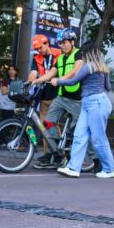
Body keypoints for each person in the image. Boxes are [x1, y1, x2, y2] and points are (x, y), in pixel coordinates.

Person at [53, 41, 114, 178]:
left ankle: (110, 169)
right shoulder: (102, 67)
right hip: (91, 102)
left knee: (98, 138)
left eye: (82, 53)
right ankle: (73, 168)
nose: (81, 56)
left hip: (96, 103)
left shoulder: (88, 66)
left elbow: (72, 81)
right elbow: (108, 87)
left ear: (87, 53)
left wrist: (57, 81)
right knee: (79, 135)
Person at [31, 28, 87, 169]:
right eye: (60, 43)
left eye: (65, 42)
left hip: (77, 100)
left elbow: (76, 70)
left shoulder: (78, 54)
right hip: (61, 98)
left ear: (72, 42)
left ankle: (96, 160)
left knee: (80, 130)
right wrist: (36, 81)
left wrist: (62, 79)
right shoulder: (61, 58)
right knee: (47, 123)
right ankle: (54, 154)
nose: (62, 45)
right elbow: (51, 73)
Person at [27, 34, 61, 157]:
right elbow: (33, 72)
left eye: (40, 47)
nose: (39, 51)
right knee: (43, 126)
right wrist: (30, 80)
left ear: (46, 43)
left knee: (52, 124)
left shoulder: (59, 53)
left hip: (57, 95)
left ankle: (57, 152)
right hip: (44, 97)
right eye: (37, 49)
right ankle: (48, 154)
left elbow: (55, 72)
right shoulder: (37, 58)